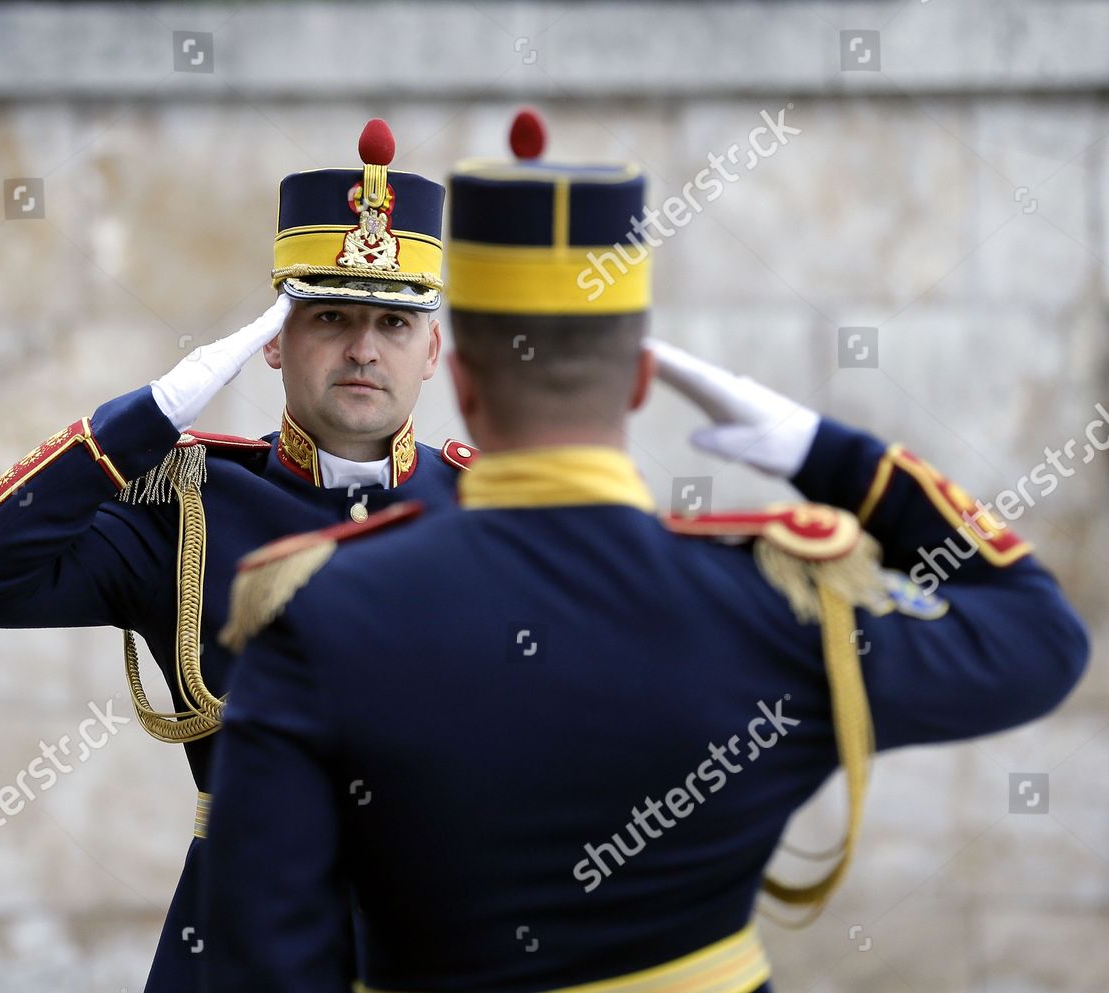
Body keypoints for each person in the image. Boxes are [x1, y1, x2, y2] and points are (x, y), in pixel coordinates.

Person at [204, 125, 1090, 993]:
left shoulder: (315, 616)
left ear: (458, 377)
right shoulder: (777, 604)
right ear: (637, 381)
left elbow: (263, 959)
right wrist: (825, 454)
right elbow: (1040, 635)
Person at [0, 118, 475, 992]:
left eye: (394, 323)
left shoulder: (484, 512)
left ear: (432, 350)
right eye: (328, 316)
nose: (364, 347)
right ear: (273, 339)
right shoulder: (191, 504)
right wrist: (148, 413)